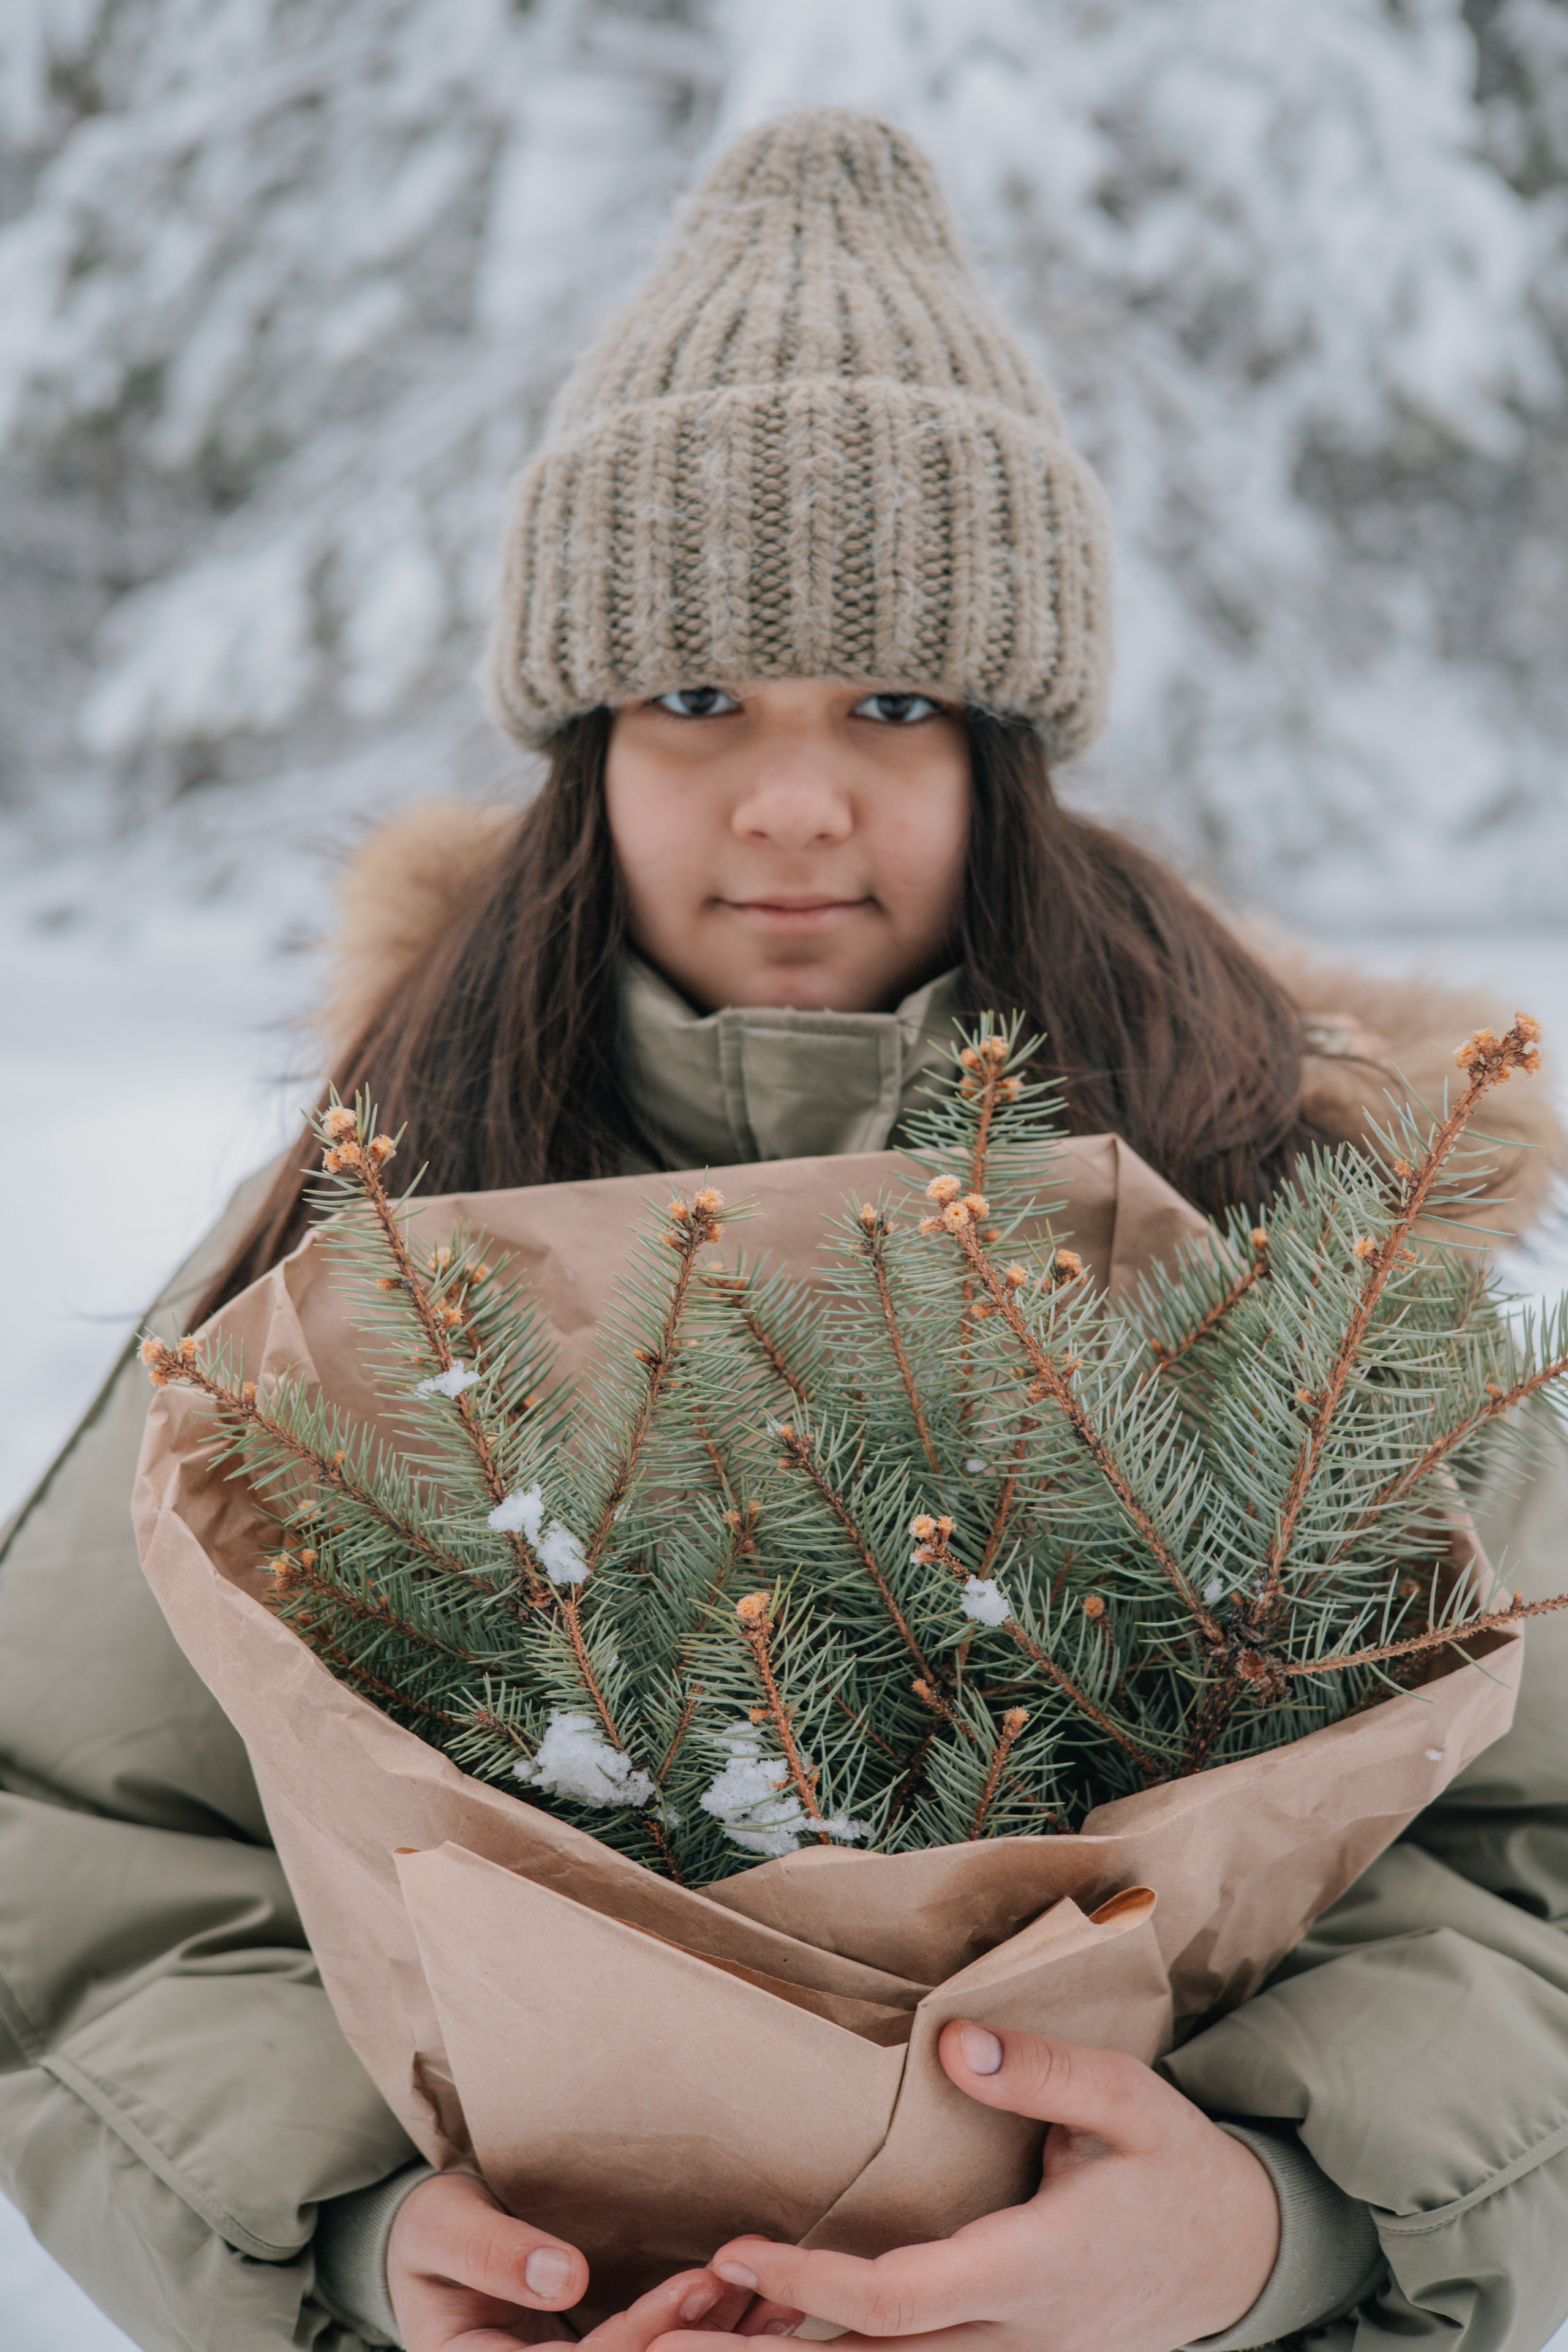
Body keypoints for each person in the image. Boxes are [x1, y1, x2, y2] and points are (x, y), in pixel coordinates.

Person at [2, 107, 1566, 2352]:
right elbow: (68, 1839)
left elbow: (1538, 1851)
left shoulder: (1286, 1229)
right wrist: (351, 2238)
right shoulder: (380, 1226)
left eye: (900, 705)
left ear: (1009, 755)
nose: (799, 798)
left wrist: (1269, 2226)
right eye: (701, 699)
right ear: (586, 747)